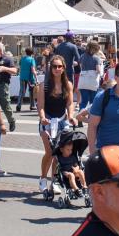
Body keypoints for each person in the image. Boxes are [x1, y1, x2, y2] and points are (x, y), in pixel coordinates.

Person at [37, 54, 76, 192]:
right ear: (50, 68)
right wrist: (42, 118)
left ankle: (54, 181)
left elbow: (70, 103)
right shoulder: (44, 85)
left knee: (59, 153)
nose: (57, 69)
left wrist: (71, 116)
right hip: (47, 119)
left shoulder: (68, 84)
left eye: (60, 66)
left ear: (64, 68)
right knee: (49, 152)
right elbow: (40, 105)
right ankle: (42, 178)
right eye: (54, 66)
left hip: (62, 120)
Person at [0, 42, 18, 132]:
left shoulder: (8, 59)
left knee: (5, 103)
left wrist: (4, 68)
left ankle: (11, 120)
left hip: (3, 84)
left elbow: (15, 71)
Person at [76, 41, 104, 113]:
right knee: (92, 101)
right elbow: (98, 70)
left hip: (83, 81)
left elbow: (81, 67)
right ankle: (91, 117)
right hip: (93, 82)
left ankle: (80, 116)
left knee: (84, 101)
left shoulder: (82, 56)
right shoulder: (96, 58)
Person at [17, 47, 38, 112]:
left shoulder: (22, 59)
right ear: (32, 53)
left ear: (26, 52)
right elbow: (33, 70)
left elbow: (19, 67)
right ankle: (32, 105)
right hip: (30, 78)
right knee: (31, 92)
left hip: (22, 77)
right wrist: (37, 78)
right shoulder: (32, 59)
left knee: (22, 92)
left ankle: (19, 105)